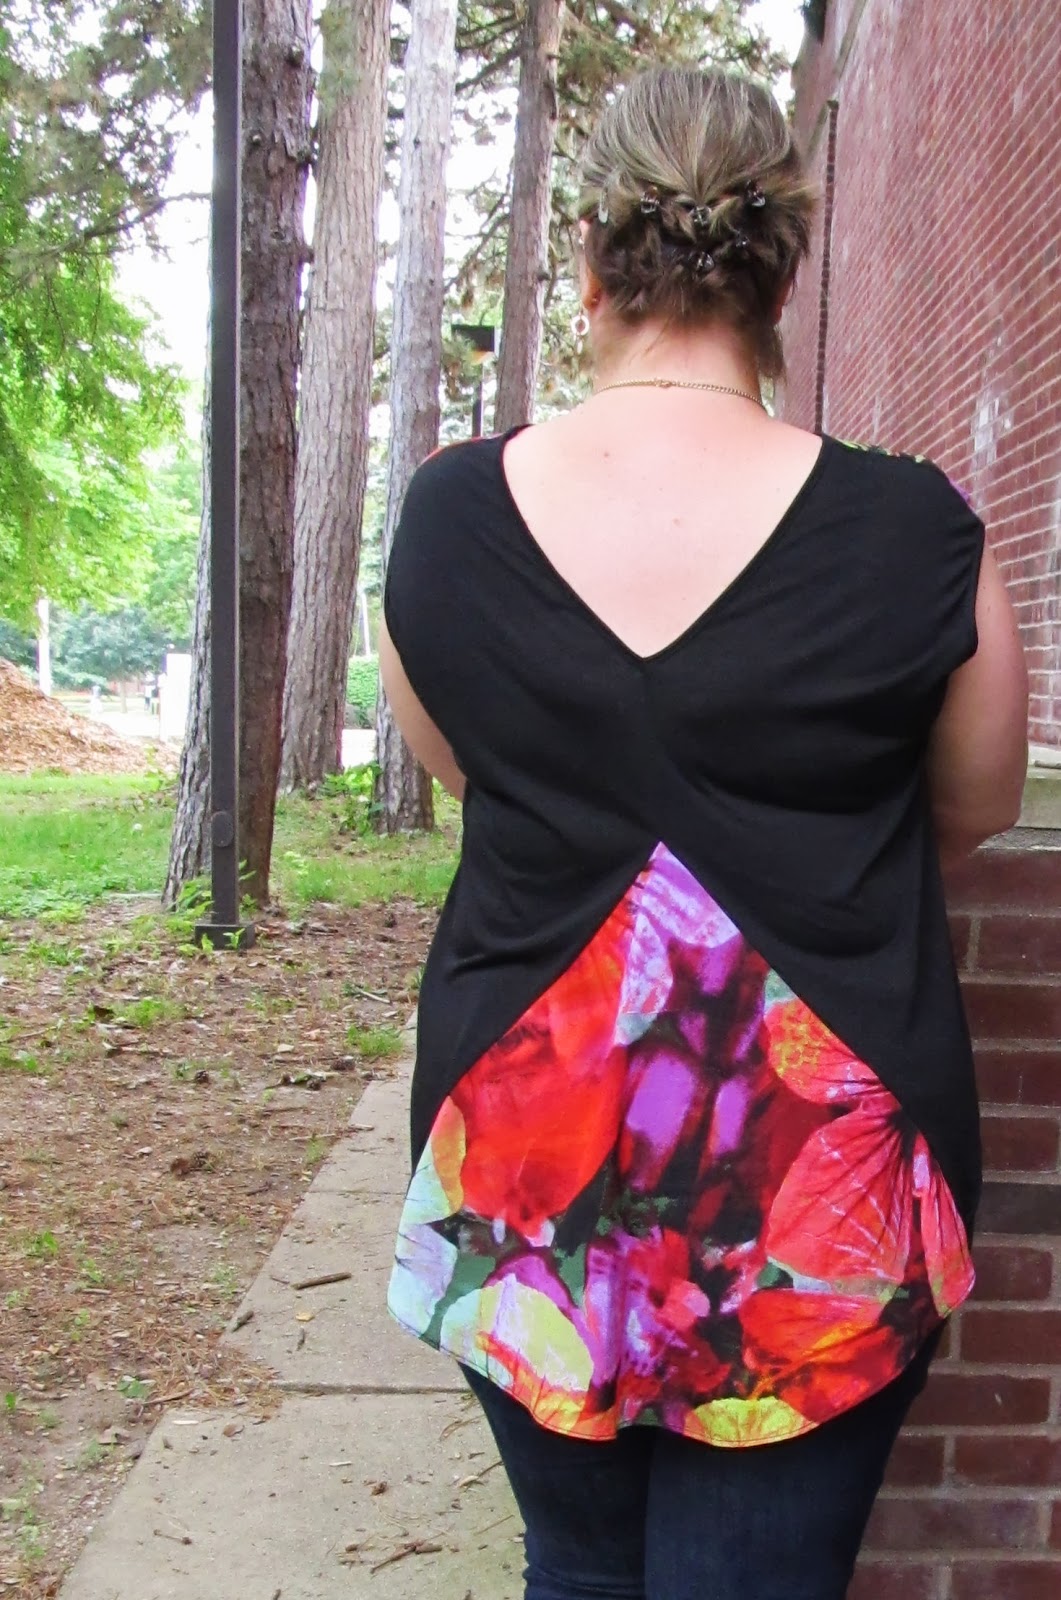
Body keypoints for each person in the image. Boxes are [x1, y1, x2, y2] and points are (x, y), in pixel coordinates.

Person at [381, 65, 1028, 1600]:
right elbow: (975, 804)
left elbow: (460, 764)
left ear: (590, 266)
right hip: (819, 1156)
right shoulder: (913, 530)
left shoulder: (451, 516)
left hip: (518, 1136)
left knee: (576, 1568)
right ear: (779, 278)